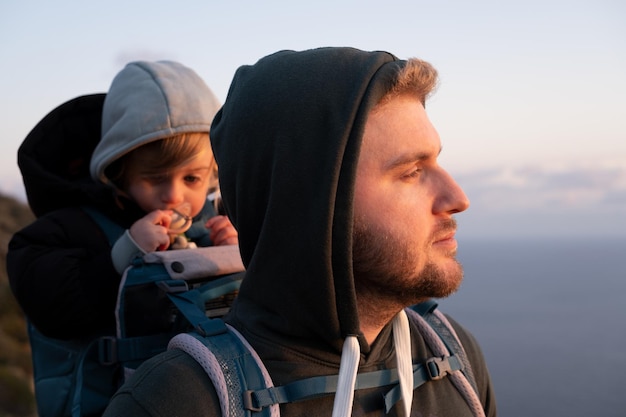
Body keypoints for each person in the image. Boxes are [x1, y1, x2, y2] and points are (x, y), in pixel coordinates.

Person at [103, 47, 497, 417]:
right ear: (312, 201)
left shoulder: (451, 354)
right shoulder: (174, 401)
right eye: (411, 172)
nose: (457, 197)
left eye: (437, 163)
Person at [7, 60, 238, 341]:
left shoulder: (222, 218)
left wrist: (237, 256)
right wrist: (120, 259)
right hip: (117, 384)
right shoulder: (72, 225)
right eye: (155, 179)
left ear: (212, 173)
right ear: (119, 174)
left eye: (191, 179)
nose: (174, 196)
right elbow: (46, 303)